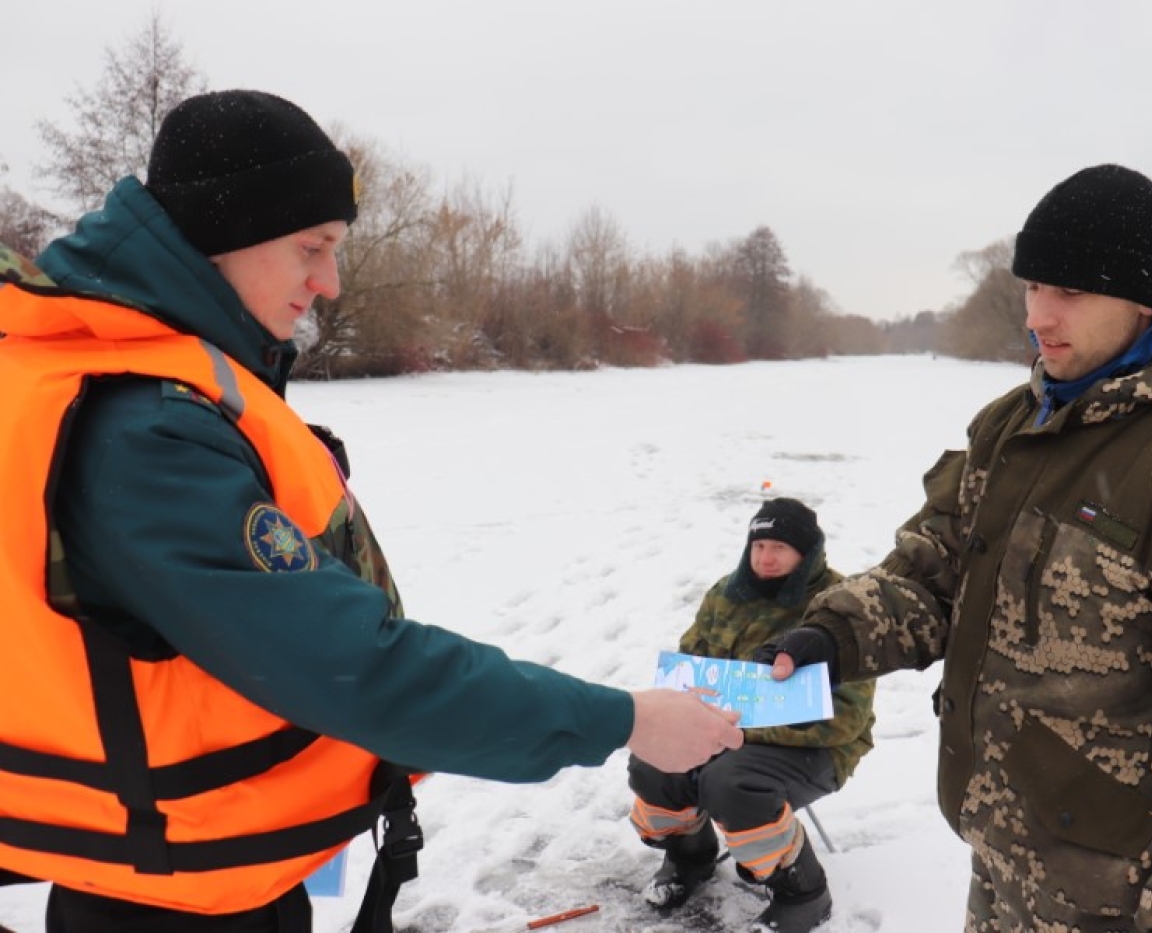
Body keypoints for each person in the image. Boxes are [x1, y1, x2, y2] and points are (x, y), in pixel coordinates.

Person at [0, 89, 741, 933]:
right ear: (222, 235)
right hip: (173, 898)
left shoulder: (132, 373)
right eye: (312, 247)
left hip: (170, 866)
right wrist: (627, 718)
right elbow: (357, 668)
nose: (331, 282)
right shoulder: (147, 429)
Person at [761, 165, 1152, 932]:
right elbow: (936, 571)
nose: (1039, 315)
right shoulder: (1017, 426)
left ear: (1142, 297)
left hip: (1125, 905)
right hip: (1004, 866)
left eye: (1069, 292)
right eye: (1033, 286)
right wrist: (830, 634)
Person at [627, 498, 875, 933]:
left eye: (780, 546)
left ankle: (803, 892)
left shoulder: (840, 607)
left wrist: (742, 731)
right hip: (721, 731)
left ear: (808, 552)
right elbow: (688, 664)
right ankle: (689, 856)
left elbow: (847, 716)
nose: (766, 556)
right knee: (653, 759)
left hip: (817, 747)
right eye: (759, 545)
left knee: (732, 781)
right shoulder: (725, 595)